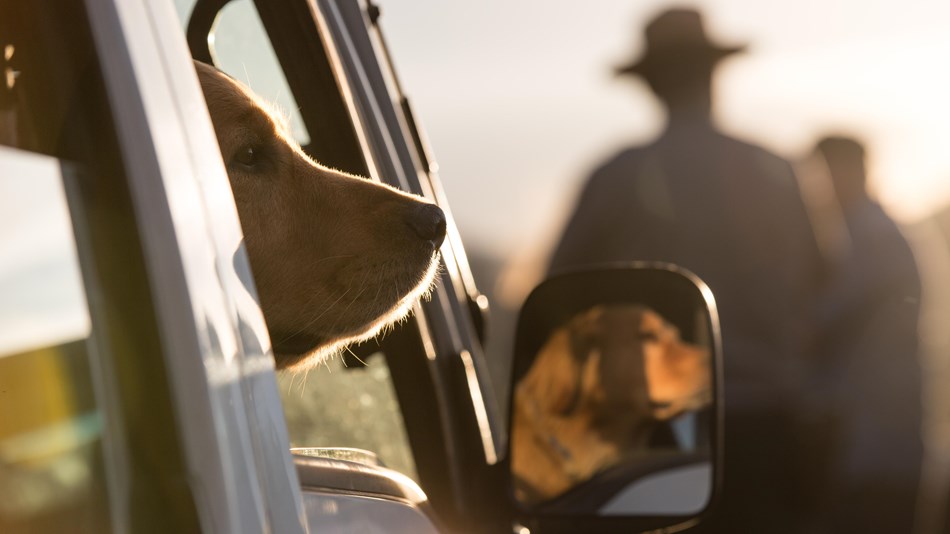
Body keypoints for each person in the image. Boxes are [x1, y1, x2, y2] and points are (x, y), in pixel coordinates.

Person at [549, 8, 824, 532]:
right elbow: (820, 281)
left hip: (653, 433)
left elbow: (562, 289)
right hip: (768, 425)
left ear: (651, 86)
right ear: (714, 75)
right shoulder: (776, 169)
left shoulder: (618, 175)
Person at [810, 136, 923, 533]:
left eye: (822, 172)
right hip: (872, 424)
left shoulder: (868, 235)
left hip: (874, 424)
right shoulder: (862, 230)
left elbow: (830, 319)